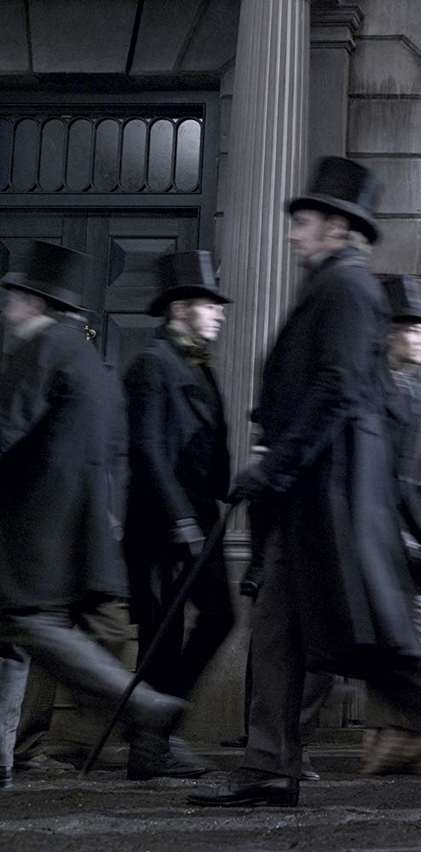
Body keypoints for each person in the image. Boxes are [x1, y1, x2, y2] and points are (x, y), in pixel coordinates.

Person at [189, 157, 421, 808]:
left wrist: (274, 466)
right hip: (314, 495)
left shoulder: (346, 288)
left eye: (303, 222)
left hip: (326, 496)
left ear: (336, 227)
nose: (293, 233)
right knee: (280, 631)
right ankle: (268, 763)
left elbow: (335, 389)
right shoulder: (338, 286)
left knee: (359, 648)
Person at [0, 241, 185, 790]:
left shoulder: (41, 347)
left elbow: (7, 427)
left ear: (35, 301)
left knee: (28, 630)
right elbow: (115, 456)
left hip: (28, 529)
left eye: (13, 296)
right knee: (12, 642)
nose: (7, 306)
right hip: (75, 530)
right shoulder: (95, 360)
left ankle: (141, 703)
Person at [122, 250, 233, 780]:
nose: (219, 314)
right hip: (162, 524)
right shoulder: (152, 363)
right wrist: (180, 519)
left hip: (201, 516)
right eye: (210, 305)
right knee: (161, 635)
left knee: (220, 616)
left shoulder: (196, 363)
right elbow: (146, 448)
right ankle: (150, 746)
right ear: (180, 309)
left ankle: (160, 726)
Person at [360, 273, 421, 774]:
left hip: (397, 534)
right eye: (417, 329)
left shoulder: (414, 394)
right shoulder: (365, 386)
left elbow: (405, 479)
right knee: (336, 651)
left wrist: (416, 539)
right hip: (361, 530)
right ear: (390, 333)